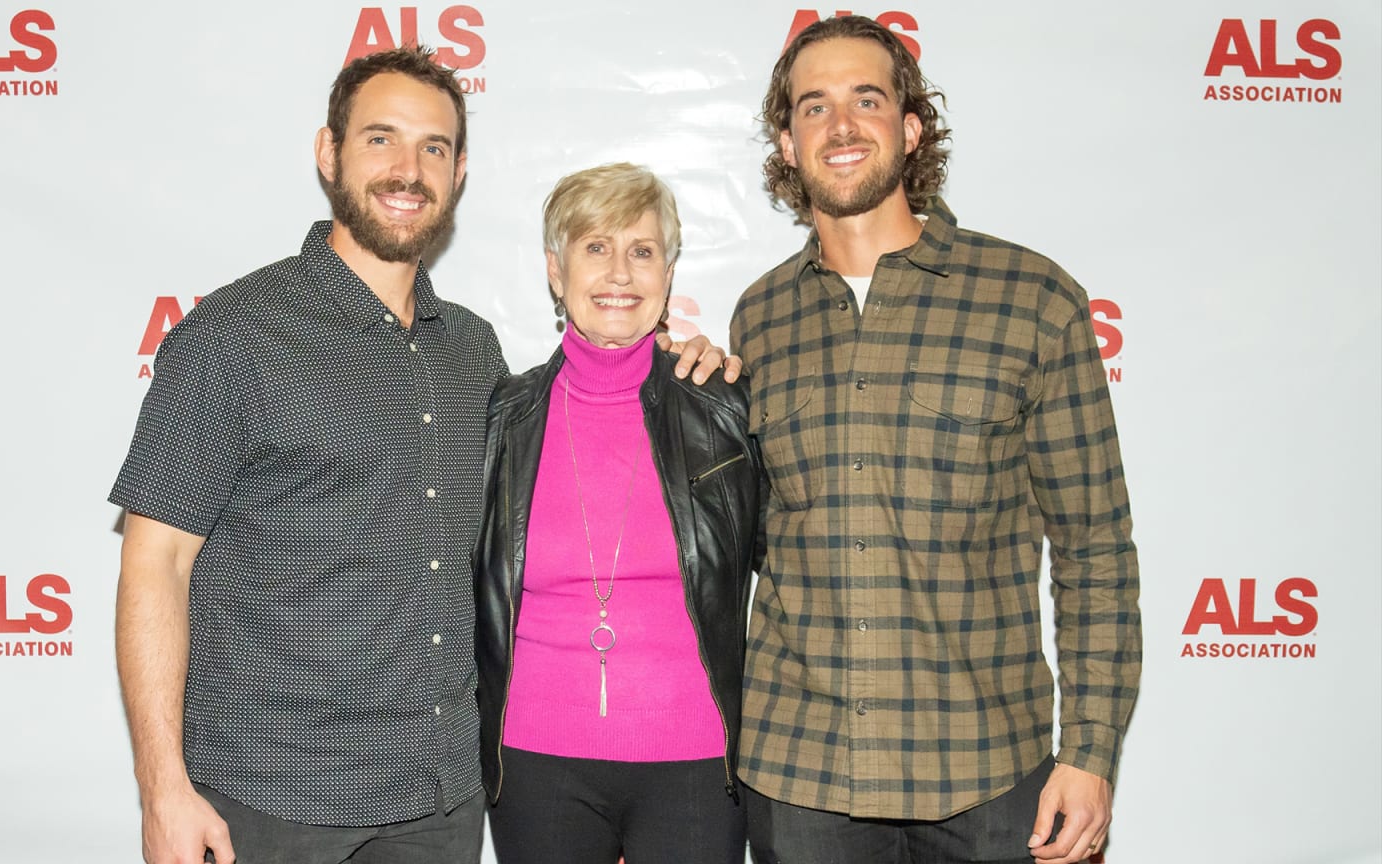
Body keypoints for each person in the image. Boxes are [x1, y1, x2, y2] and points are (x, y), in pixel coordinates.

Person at [110, 48, 731, 864]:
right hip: (271, 800)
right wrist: (162, 790)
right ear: (329, 153)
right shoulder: (234, 338)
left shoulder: (475, 354)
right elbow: (155, 565)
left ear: (460, 171)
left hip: (440, 801)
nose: (408, 169)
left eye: (433, 148)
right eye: (381, 140)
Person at [730, 16, 1141, 864]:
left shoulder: (1032, 298)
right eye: (814, 107)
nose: (841, 126)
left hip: (988, 776)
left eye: (866, 100)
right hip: (801, 779)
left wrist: (1091, 752)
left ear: (910, 128)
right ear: (788, 141)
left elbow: (1094, 547)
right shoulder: (759, 315)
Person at [475, 163, 760, 864]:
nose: (619, 273)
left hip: (695, 761)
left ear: (668, 273)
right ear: (555, 269)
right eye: (594, 247)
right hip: (536, 765)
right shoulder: (504, 416)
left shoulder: (723, 406)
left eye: (642, 250)